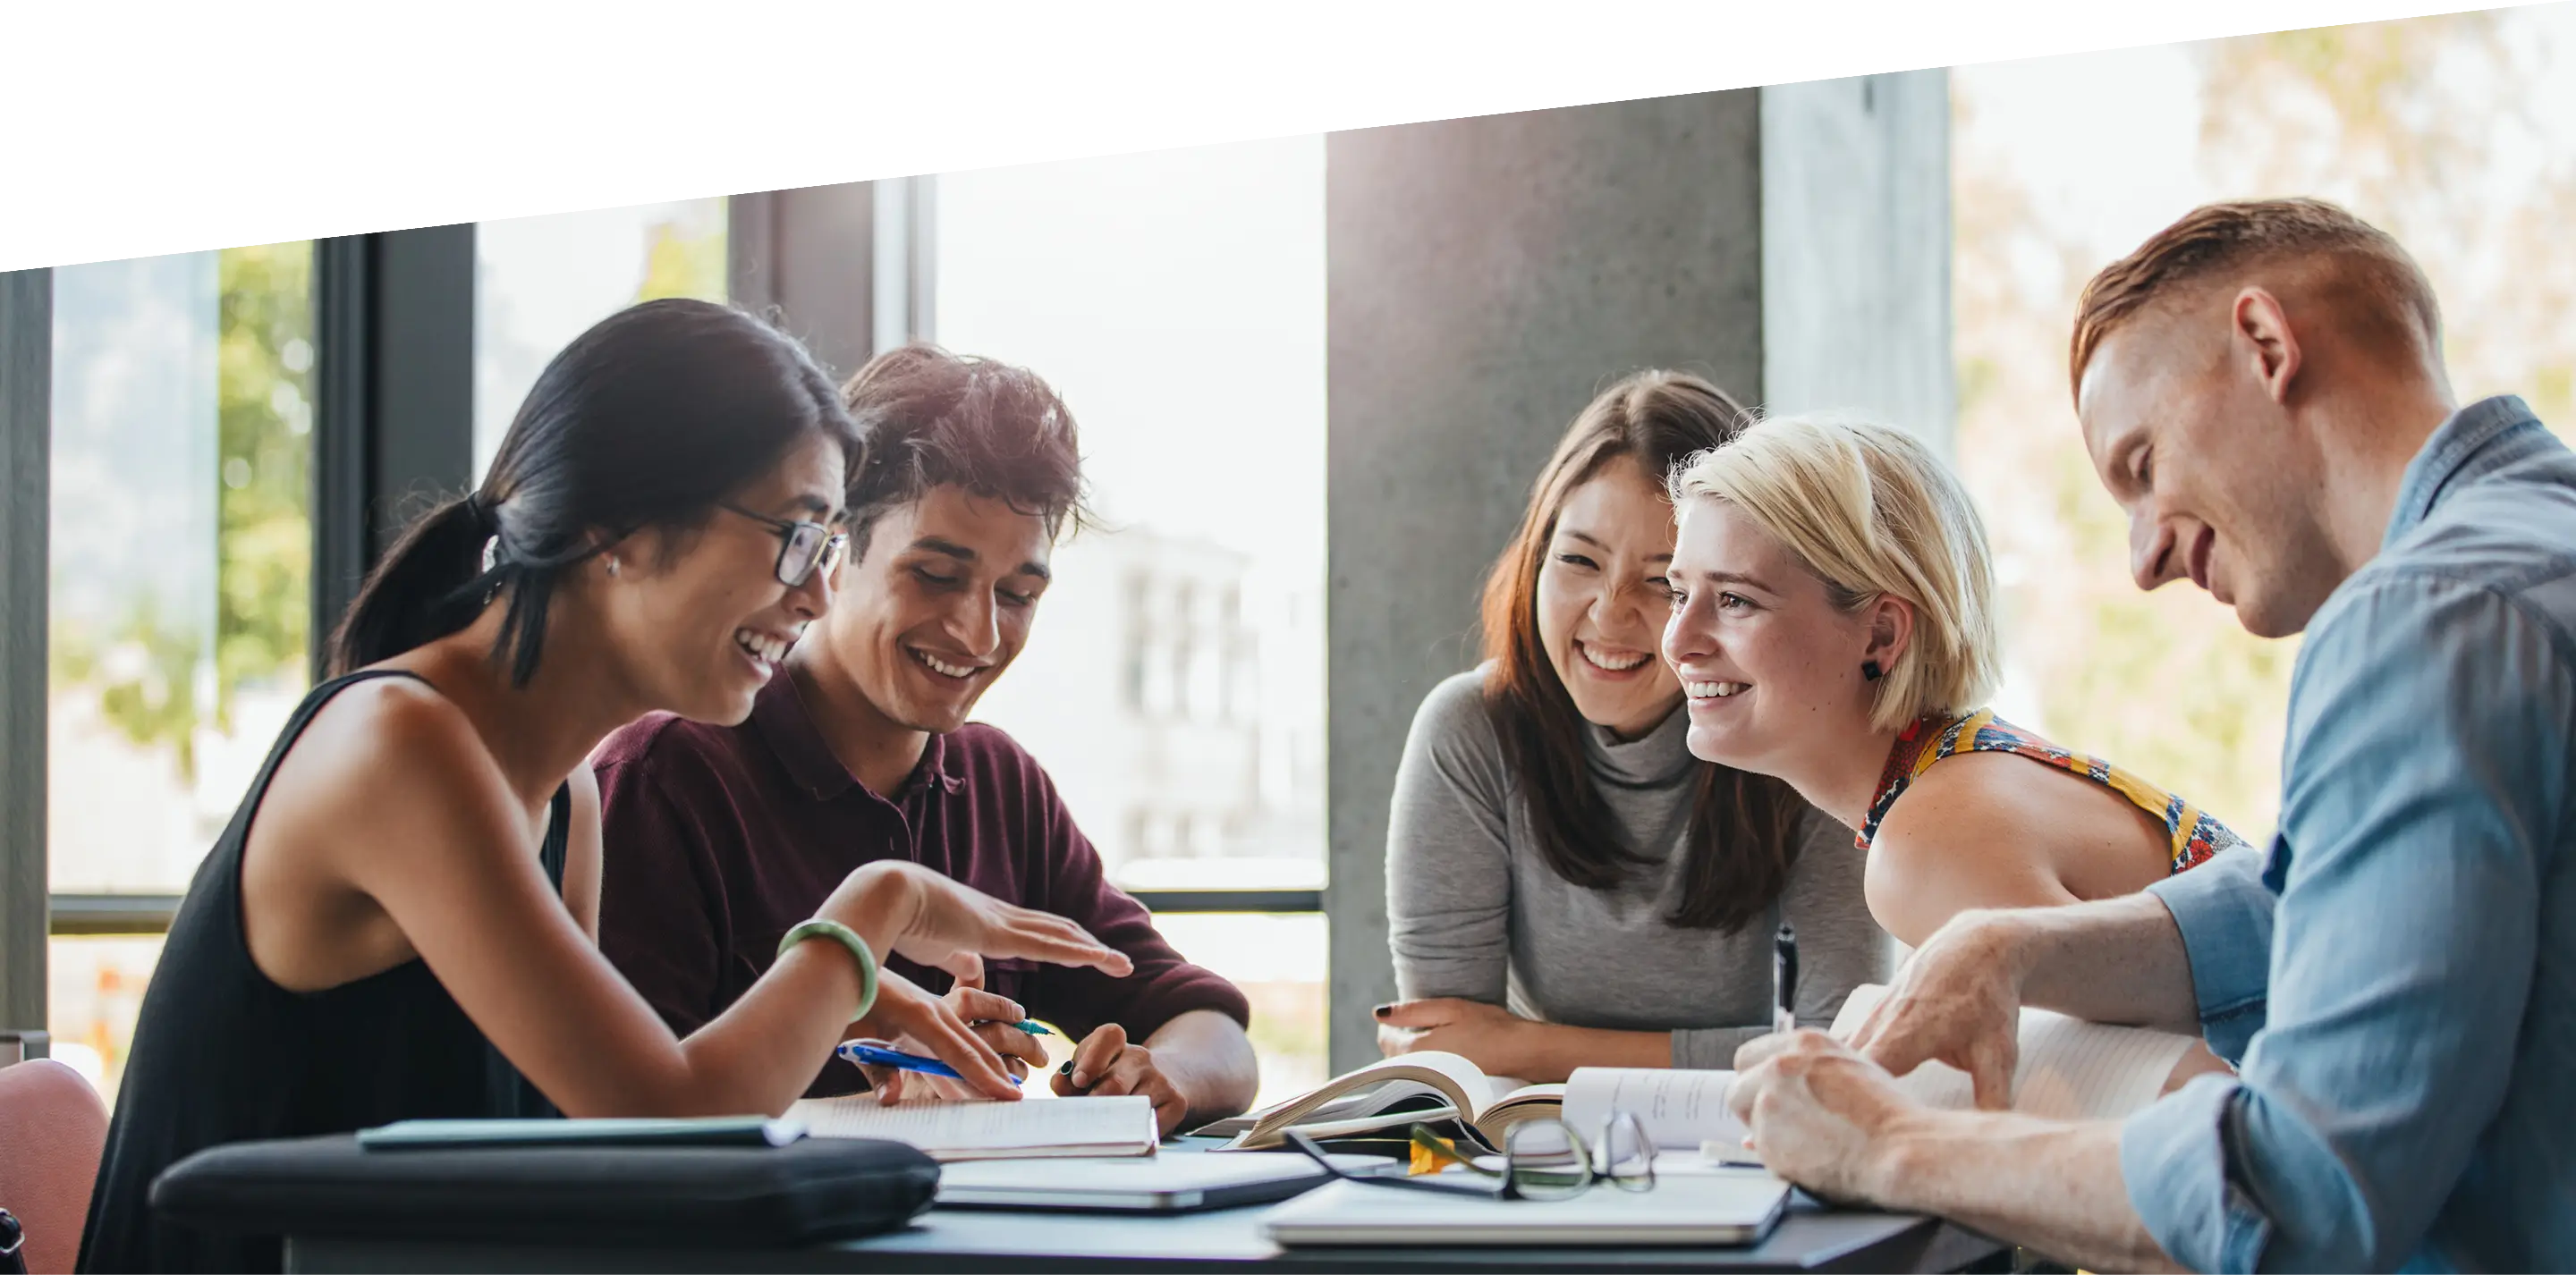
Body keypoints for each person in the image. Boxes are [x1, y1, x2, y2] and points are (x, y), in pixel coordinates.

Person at [76, 302, 1132, 1275]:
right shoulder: (402, 746)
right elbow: (671, 1118)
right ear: (617, 529)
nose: (817, 592)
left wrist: (850, 995)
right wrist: (877, 911)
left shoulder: (565, 796)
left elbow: (604, 1142)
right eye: (796, 537)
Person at [1724, 198, 2576, 1273]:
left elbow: (2296, 1196)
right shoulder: (2536, 554)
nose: (2144, 558)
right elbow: (2336, 896)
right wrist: (2010, 944)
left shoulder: (2426, 620)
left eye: (2142, 464)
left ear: (2266, 346)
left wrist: (1890, 1143)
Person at [593, 343, 1258, 1138]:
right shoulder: (667, 778)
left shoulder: (999, 784)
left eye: (1017, 595)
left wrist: (1162, 1076)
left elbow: (1210, 1026)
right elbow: (631, 1120)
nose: (979, 632)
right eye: (937, 577)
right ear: (833, 551)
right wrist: (875, 1053)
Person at [1376, 370, 1885, 1082]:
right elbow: (1449, 1049)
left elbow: (1842, 1049)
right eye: (1579, 560)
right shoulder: (1471, 731)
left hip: (1749, 1150)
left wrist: (1532, 1045)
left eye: (1663, 582)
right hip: (1535, 1147)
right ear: (1534, 560)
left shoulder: (1802, 732)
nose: (1610, 615)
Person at [1660, 413, 2249, 951]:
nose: (1677, 641)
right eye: (1679, 594)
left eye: (1735, 600)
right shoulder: (1955, 777)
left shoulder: (1931, 844)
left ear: (1882, 635)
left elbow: (2205, 1060)